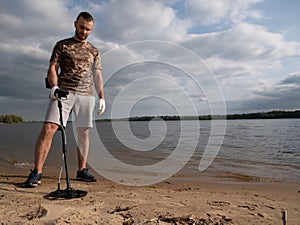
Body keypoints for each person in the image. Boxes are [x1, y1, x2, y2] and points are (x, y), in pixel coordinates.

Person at [24, 12, 105, 187]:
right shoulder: (62, 45)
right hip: (63, 92)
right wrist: (54, 87)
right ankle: (37, 172)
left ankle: (82, 170)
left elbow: (97, 74)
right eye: (82, 27)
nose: (84, 31)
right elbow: (53, 67)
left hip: (86, 95)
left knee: (83, 132)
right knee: (49, 128)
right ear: (75, 23)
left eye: (88, 29)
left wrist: (102, 97)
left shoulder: (94, 51)